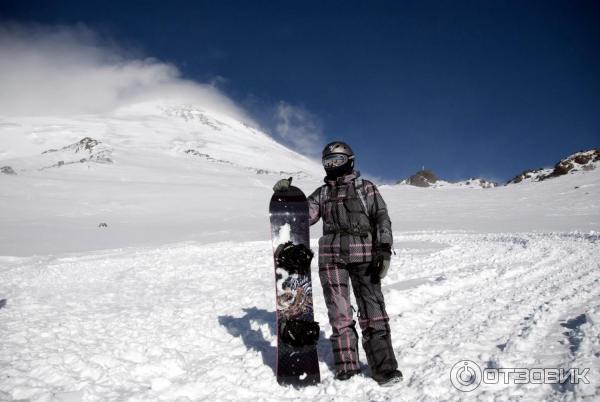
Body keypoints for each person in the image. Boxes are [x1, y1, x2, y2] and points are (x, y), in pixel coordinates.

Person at [273, 141, 402, 386]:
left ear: (350, 161)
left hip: (364, 256)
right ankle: (347, 368)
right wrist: (286, 197)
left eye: (337, 161)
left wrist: (383, 248)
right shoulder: (322, 193)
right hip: (331, 260)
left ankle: (384, 369)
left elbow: (381, 217)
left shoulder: (366, 188)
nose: (333, 166)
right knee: (339, 313)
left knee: (373, 311)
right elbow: (304, 215)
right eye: (328, 162)